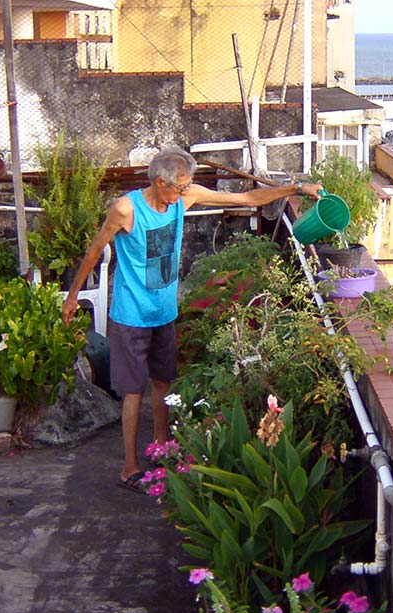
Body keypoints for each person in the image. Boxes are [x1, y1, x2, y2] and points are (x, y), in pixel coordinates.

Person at [61, 148, 322, 494]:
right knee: (133, 392)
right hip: (131, 316)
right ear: (159, 182)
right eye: (179, 188)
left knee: (163, 382)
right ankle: (129, 467)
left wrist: (296, 189)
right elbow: (95, 250)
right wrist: (72, 296)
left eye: (186, 187)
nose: (185, 193)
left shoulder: (185, 198)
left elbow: (247, 197)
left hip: (164, 313)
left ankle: (160, 448)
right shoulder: (126, 209)